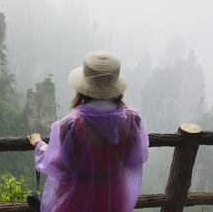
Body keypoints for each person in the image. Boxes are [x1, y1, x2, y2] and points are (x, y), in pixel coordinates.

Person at [27, 50, 149, 212]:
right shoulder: (133, 119)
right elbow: (136, 157)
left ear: (83, 88)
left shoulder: (69, 125)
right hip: (113, 195)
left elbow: (56, 164)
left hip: (78, 197)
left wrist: (39, 145)